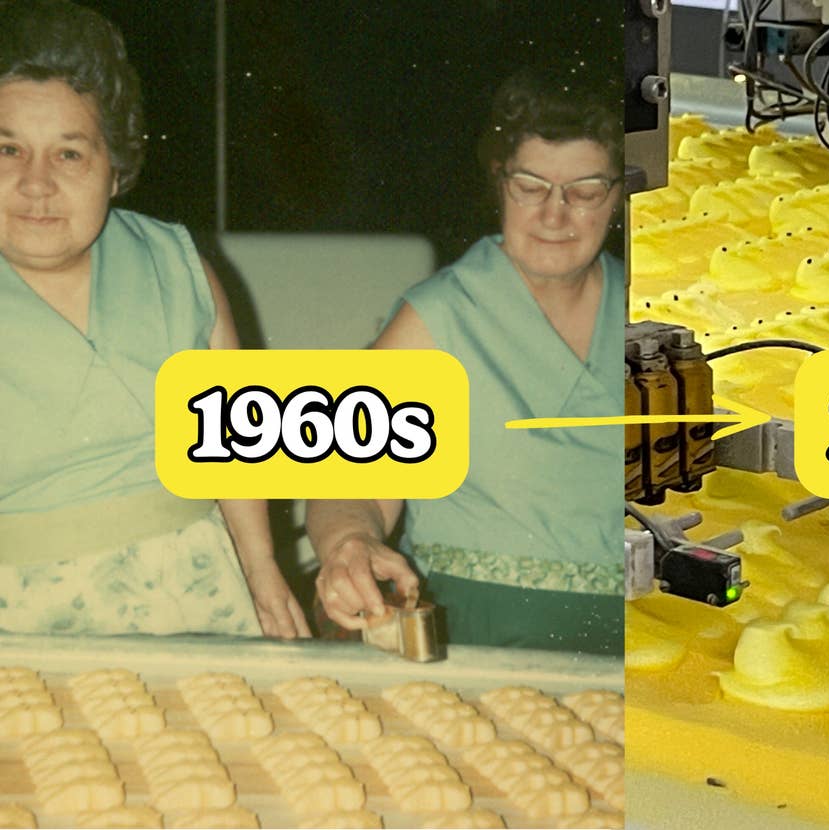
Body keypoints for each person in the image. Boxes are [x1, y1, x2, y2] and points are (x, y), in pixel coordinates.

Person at [0, 0, 309, 638]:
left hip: (199, 596)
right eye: (8, 150)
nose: (35, 184)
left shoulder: (177, 263)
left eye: (69, 155)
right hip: (23, 624)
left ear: (115, 168)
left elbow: (235, 445)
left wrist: (262, 569)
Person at [307, 70, 624, 653]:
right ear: (499, 181)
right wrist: (350, 542)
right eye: (531, 186)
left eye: (584, 191)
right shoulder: (438, 319)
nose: (555, 216)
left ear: (618, 195)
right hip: (477, 642)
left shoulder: (649, 309)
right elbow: (347, 477)